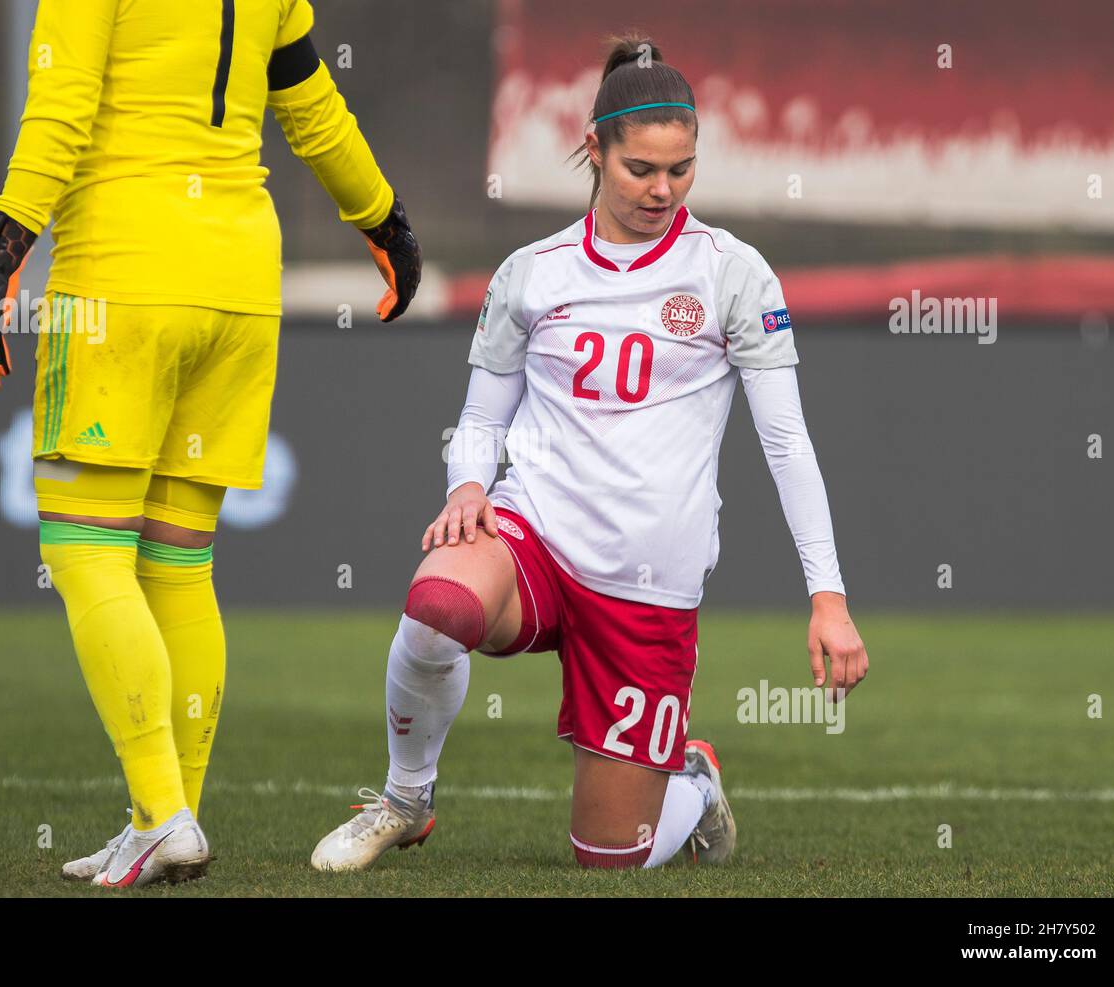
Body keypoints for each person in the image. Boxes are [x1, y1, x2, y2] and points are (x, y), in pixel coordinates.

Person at [310, 34, 868, 872]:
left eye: (681, 168)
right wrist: (467, 484)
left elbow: (786, 441)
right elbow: (480, 415)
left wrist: (828, 595)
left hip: (649, 582)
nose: (662, 188)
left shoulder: (733, 274)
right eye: (641, 167)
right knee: (438, 608)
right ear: (593, 147)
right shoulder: (532, 272)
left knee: (608, 859)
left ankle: (693, 779)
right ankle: (404, 799)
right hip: (534, 535)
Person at [0, 0, 421, 888]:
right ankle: (161, 821)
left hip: (125, 278)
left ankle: (164, 814)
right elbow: (313, 105)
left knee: (85, 550)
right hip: (240, 284)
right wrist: (384, 219)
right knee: (177, 563)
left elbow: (60, 111)